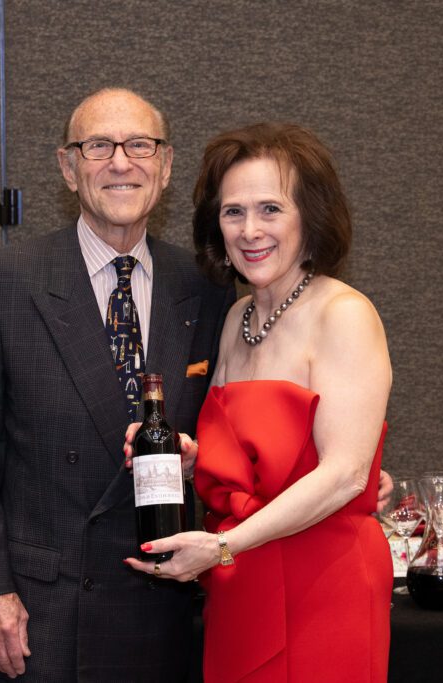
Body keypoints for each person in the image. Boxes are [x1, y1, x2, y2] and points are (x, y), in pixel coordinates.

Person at [0, 87, 235, 681]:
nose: (121, 162)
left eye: (140, 145)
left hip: (162, 610)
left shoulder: (204, 285)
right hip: (40, 617)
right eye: (98, 146)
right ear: (68, 169)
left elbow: (221, 435)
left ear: (167, 166)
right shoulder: (0, 283)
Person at [124, 123, 394, 682]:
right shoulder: (234, 319)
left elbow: (345, 473)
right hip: (238, 582)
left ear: (310, 218)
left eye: (271, 209)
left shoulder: (343, 314)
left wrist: (223, 547)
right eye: (233, 212)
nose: (250, 230)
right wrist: (192, 461)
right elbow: (244, 459)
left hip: (325, 581)